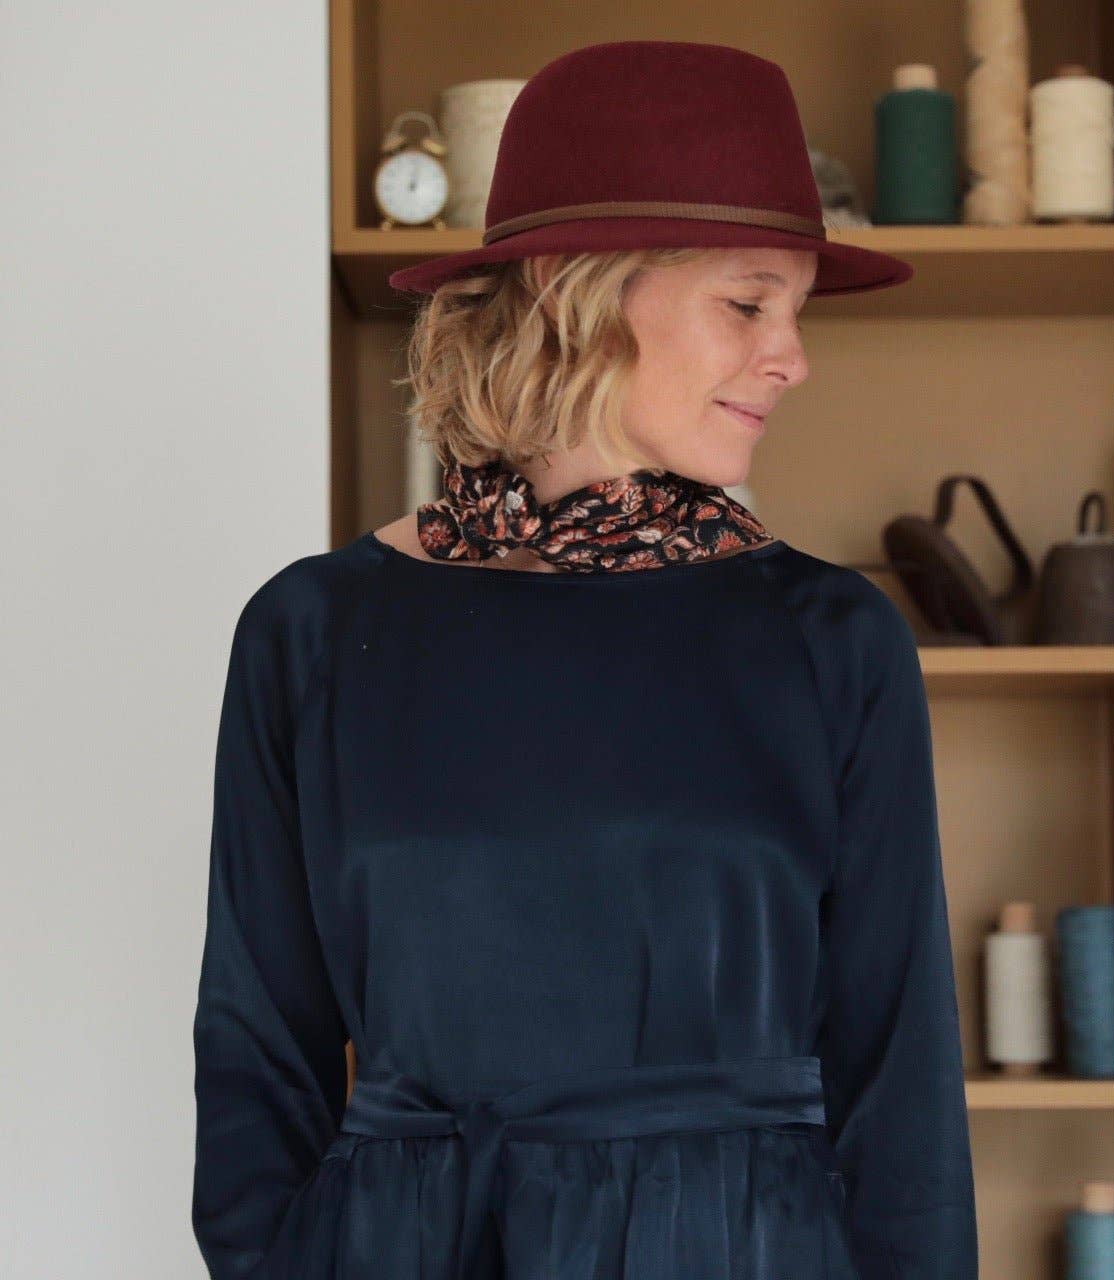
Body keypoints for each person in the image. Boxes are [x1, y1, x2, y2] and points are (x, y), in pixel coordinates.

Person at [190, 39, 978, 1280]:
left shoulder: (830, 639)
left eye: (796, 311)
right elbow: (255, 1056)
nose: (792, 356)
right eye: (748, 303)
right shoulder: (311, 632)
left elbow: (902, 1085)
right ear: (579, 290)